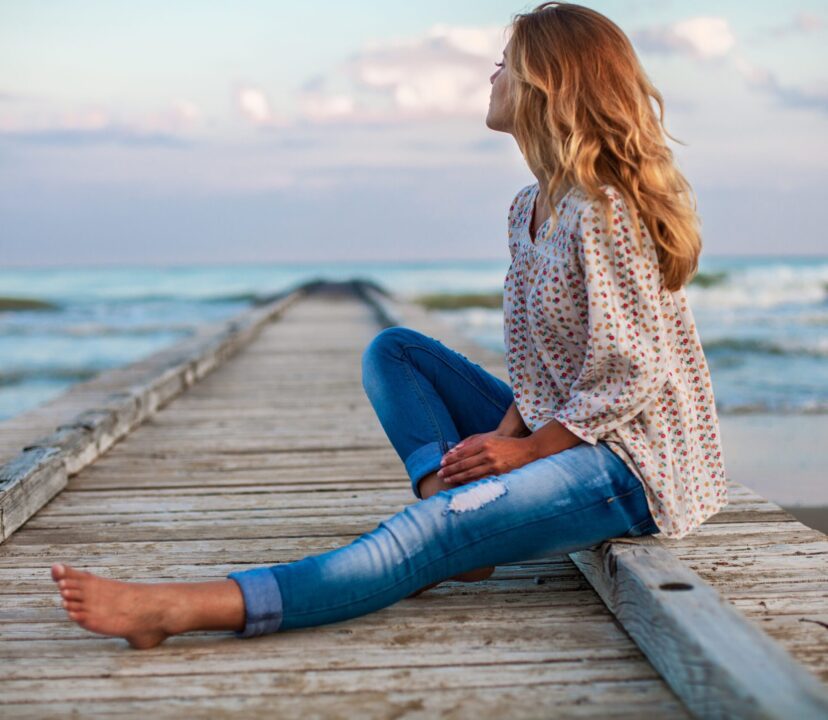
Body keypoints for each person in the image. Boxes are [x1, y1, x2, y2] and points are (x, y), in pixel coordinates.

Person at [50, 1, 727, 649]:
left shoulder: (605, 210)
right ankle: (446, 496)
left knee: (424, 536)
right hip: (567, 426)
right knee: (394, 351)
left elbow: (633, 372)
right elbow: (543, 363)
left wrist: (523, 452)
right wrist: (503, 435)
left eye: (504, 62)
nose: (491, 76)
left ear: (546, 84)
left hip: (630, 464)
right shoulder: (529, 206)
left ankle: (179, 608)